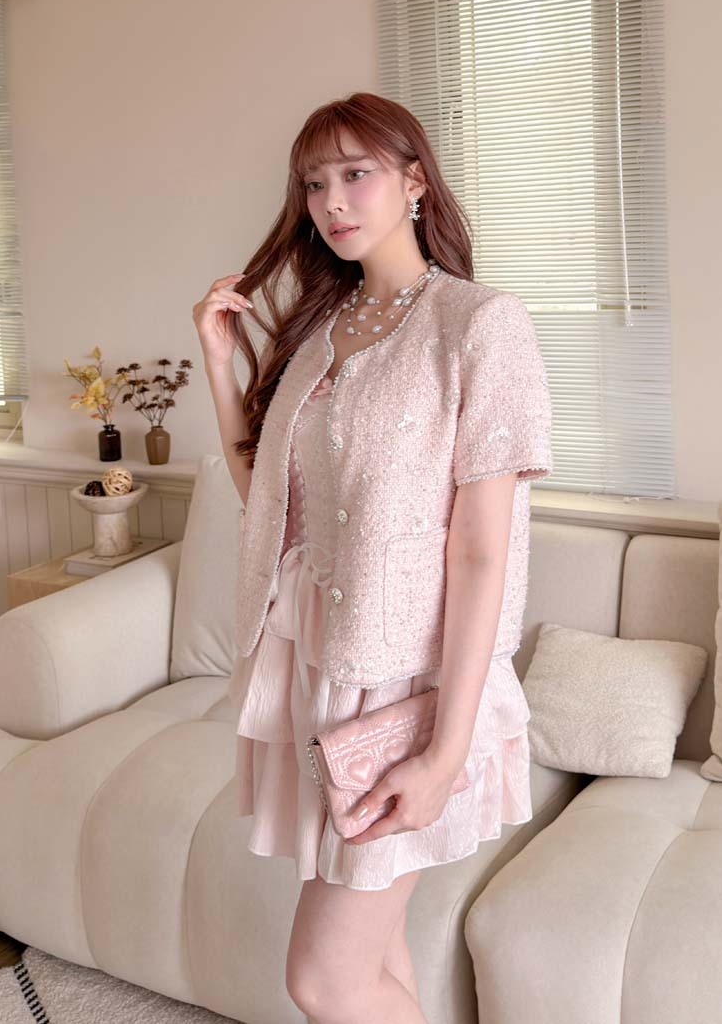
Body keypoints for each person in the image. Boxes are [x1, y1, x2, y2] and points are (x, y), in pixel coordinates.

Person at [192, 91, 553, 1024]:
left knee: (325, 980)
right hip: (319, 668)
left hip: (406, 688)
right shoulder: (323, 330)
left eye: (356, 174)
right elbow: (270, 504)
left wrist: (445, 750)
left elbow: (482, 553)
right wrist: (221, 365)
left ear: (414, 182)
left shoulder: (479, 323)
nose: (332, 202)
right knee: (376, 955)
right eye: (314, 184)